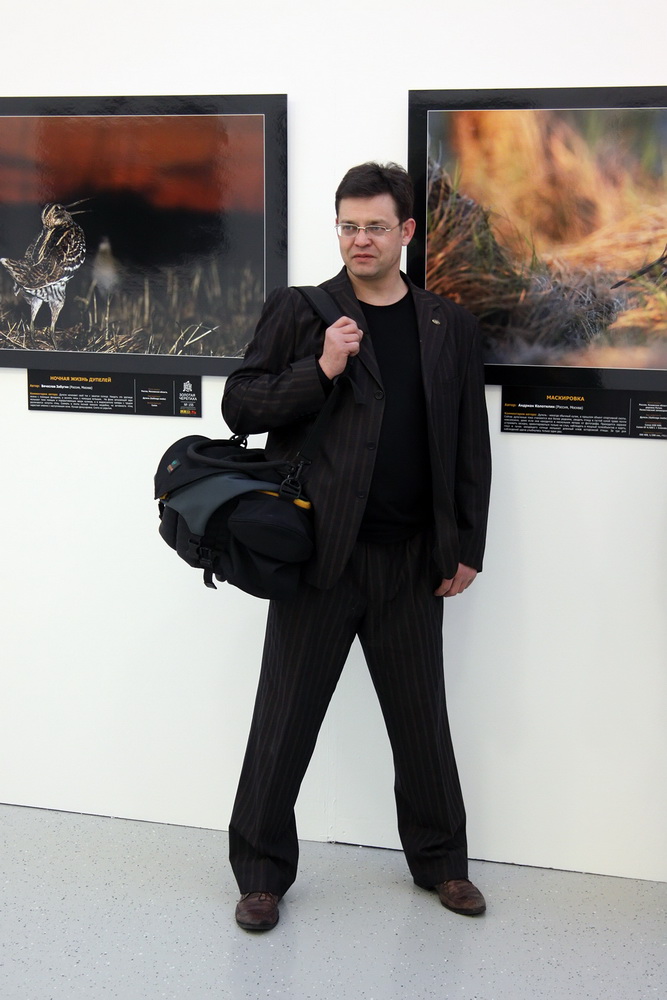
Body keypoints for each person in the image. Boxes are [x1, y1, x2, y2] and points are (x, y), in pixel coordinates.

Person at [222, 162, 492, 932]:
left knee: (420, 722)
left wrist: (465, 545)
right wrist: (321, 368)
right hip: (318, 556)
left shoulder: (447, 325)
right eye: (348, 225)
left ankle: (442, 864)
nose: (359, 239)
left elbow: (468, 442)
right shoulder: (302, 311)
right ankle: (260, 875)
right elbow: (240, 406)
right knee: (283, 720)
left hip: (411, 559)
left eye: (375, 226)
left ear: (405, 231)